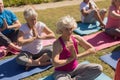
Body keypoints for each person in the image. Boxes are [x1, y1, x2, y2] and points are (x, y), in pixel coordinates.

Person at [52, 15, 103, 80]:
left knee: (98, 68)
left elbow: (93, 49)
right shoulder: (57, 44)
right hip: (61, 72)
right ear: (61, 30)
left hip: (76, 68)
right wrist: (70, 59)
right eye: (66, 29)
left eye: (71, 29)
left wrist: (77, 57)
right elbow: (55, 63)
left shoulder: (76, 38)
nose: (69, 32)